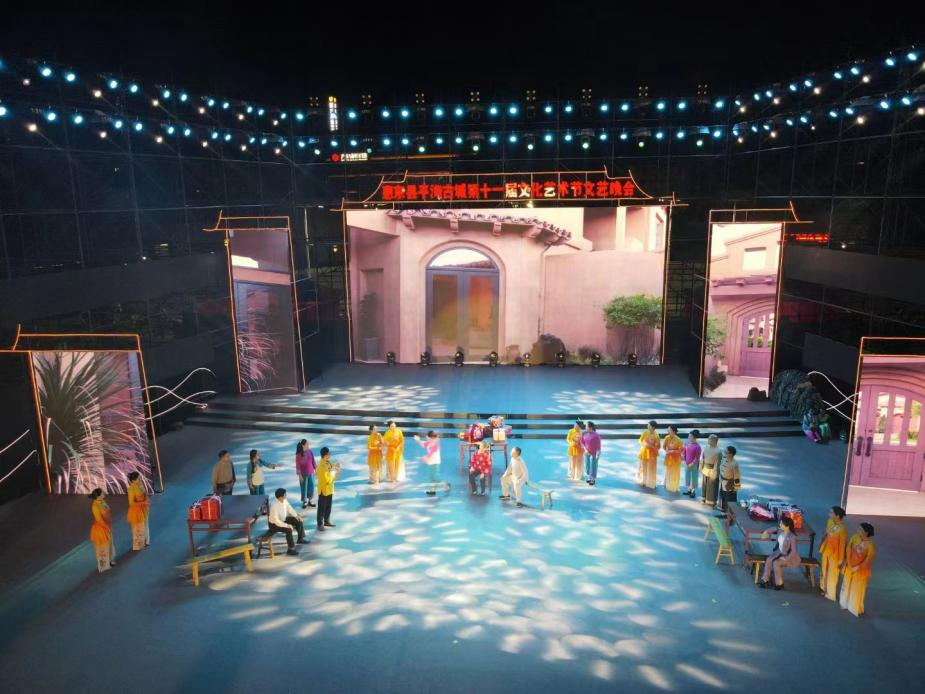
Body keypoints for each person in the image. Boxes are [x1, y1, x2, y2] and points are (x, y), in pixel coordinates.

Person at [840, 522, 877, 617]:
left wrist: (857, 567)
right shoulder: (855, 537)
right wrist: (848, 562)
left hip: (861, 570)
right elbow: (848, 548)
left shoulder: (871, 545)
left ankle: (854, 607)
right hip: (850, 566)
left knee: (857, 588)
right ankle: (844, 603)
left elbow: (868, 559)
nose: (858, 530)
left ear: (866, 532)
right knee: (846, 585)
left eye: (860, 529)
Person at [759, 517, 801, 590]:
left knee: (776, 563)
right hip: (779, 552)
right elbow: (774, 528)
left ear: (787, 526)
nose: (780, 524)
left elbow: (794, 551)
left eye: (782, 524)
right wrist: (766, 532)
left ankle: (779, 583)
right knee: (769, 559)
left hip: (790, 557)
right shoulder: (780, 530)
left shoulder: (792, 536)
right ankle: (765, 579)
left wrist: (786, 558)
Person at [819, 506, 848, 601]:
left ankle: (830, 594)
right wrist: (821, 545)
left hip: (835, 555)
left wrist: (841, 560)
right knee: (824, 570)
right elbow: (826, 535)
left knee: (832, 574)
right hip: (826, 551)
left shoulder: (842, 529)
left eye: (831, 513)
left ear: (837, 516)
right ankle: (823, 587)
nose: (829, 514)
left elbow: (842, 545)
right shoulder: (830, 522)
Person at [267, 488, 307, 556]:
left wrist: (296, 516)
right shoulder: (274, 505)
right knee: (289, 530)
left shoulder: (284, 500)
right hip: (274, 524)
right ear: (280, 497)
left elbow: (289, 508)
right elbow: (276, 520)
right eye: (285, 495)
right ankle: (290, 549)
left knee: (298, 520)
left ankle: (300, 539)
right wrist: (287, 525)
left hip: (283, 519)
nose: (286, 496)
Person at [415, 430, 451, 496]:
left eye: (427, 437)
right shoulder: (429, 442)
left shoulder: (435, 443)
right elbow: (423, 445)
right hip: (430, 462)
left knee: (436, 477)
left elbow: (431, 453)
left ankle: (446, 485)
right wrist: (418, 440)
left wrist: (424, 458)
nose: (426, 437)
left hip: (435, 461)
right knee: (431, 477)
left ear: (430, 437)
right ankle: (432, 490)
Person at [89, 488, 116, 573]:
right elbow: (100, 520)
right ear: (98, 496)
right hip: (101, 529)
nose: (104, 493)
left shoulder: (102, 501)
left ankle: (110, 559)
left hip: (107, 526)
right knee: (102, 546)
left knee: (110, 544)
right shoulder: (95, 506)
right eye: (102, 492)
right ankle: (103, 565)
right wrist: (107, 527)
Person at [315, 447, 341, 531]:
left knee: (328, 506)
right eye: (329, 454)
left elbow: (332, 467)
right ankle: (320, 524)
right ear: (325, 455)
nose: (330, 455)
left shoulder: (328, 462)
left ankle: (326, 521)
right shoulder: (321, 466)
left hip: (329, 489)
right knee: (321, 508)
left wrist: (336, 466)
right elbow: (326, 480)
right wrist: (334, 473)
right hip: (323, 490)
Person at [126, 471, 150, 551]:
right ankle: (139, 544)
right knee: (138, 528)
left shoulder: (140, 484)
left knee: (145, 525)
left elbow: (145, 493)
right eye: (138, 478)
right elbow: (131, 503)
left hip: (143, 508)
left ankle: (146, 541)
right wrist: (143, 502)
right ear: (133, 480)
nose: (140, 479)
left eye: (140, 478)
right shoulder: (131, 489)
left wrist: (146, 499)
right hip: (136, 511)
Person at [637, 420, 660, 489]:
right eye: (648, 425)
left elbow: (658, 446)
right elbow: (640, 440)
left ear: (653, 427)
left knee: (651, 468)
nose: (647, 426)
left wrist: (654, 446)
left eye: (649, 426)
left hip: (652, 453)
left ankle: (650, 482)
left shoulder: (656, 435)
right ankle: (642, 480)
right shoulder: (645, 433)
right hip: (644, 452)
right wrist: (643, 444)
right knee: (643, 467)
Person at [718, 445, 741, 512]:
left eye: (726, 452)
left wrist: (736, 487)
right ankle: (723, 510)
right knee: (723, 496)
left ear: (731, 454)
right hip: (723, 482)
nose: (724, 453)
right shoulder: (724, 459)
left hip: (729, 484)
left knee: (729, 498)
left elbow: (737, 476)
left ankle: (729, 513)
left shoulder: (734, 464)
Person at [699, 435, 721, 507]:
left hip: (712, 470)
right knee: (704, 485)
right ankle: (703, 498)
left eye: (710, 439)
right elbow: (702, 458)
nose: (708, 440)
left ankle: (711, 502)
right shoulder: (706, 447)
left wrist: (715, 473)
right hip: (705, 469)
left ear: (714, 441)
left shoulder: (718, 451)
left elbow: (717, 464)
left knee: (712, 487)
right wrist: (701, 466)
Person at [662, 425, 683, 493]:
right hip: (669, 457)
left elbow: (681, 450)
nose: (668, 431)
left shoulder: (679, 440)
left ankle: (673, 486)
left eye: (669, 430)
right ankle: (667, 484)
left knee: (674, 472)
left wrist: (673, 451)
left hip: (676, 458)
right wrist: (666, 450)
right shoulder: (667, 438)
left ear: (674, 431)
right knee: (668, 470)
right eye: (668, 430)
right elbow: (664, 446)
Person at [296, 439, 316, 508]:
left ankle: (310, 500)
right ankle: (305, 501)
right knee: (304, 487)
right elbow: (298, 465)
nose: (308, 445)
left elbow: (313, 460)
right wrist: (299, 475)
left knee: (311, 486)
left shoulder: (310, 451)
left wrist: (316, 468)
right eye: (307, 444)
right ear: (303, 445)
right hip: (303, 474)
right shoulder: (299, 454)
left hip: (311, 473)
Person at [682, 430, 702, 498]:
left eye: (690, 436)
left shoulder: (697, 447)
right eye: (689, 436)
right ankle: (689, 490)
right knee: (687, 476)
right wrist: (684, 458)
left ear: (694, 437)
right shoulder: (687, 443)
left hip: (694, 464)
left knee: (694, 477)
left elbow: (697, 457)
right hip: (687, 463)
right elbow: (684, 452)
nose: (688, 437)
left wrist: (692, 463)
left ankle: (693, 491)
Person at [582, 421, 602, 486]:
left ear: (590, 427)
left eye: (586, 426)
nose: (585, 427)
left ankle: (592, 479)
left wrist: (598, 454)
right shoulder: (584, 433)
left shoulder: (596, 435)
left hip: (594, 453)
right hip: (586, 452)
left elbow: (599, 445)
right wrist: (585, 449)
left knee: (593, 466)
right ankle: (589, 477)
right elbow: (582, 442)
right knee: (587, 466)